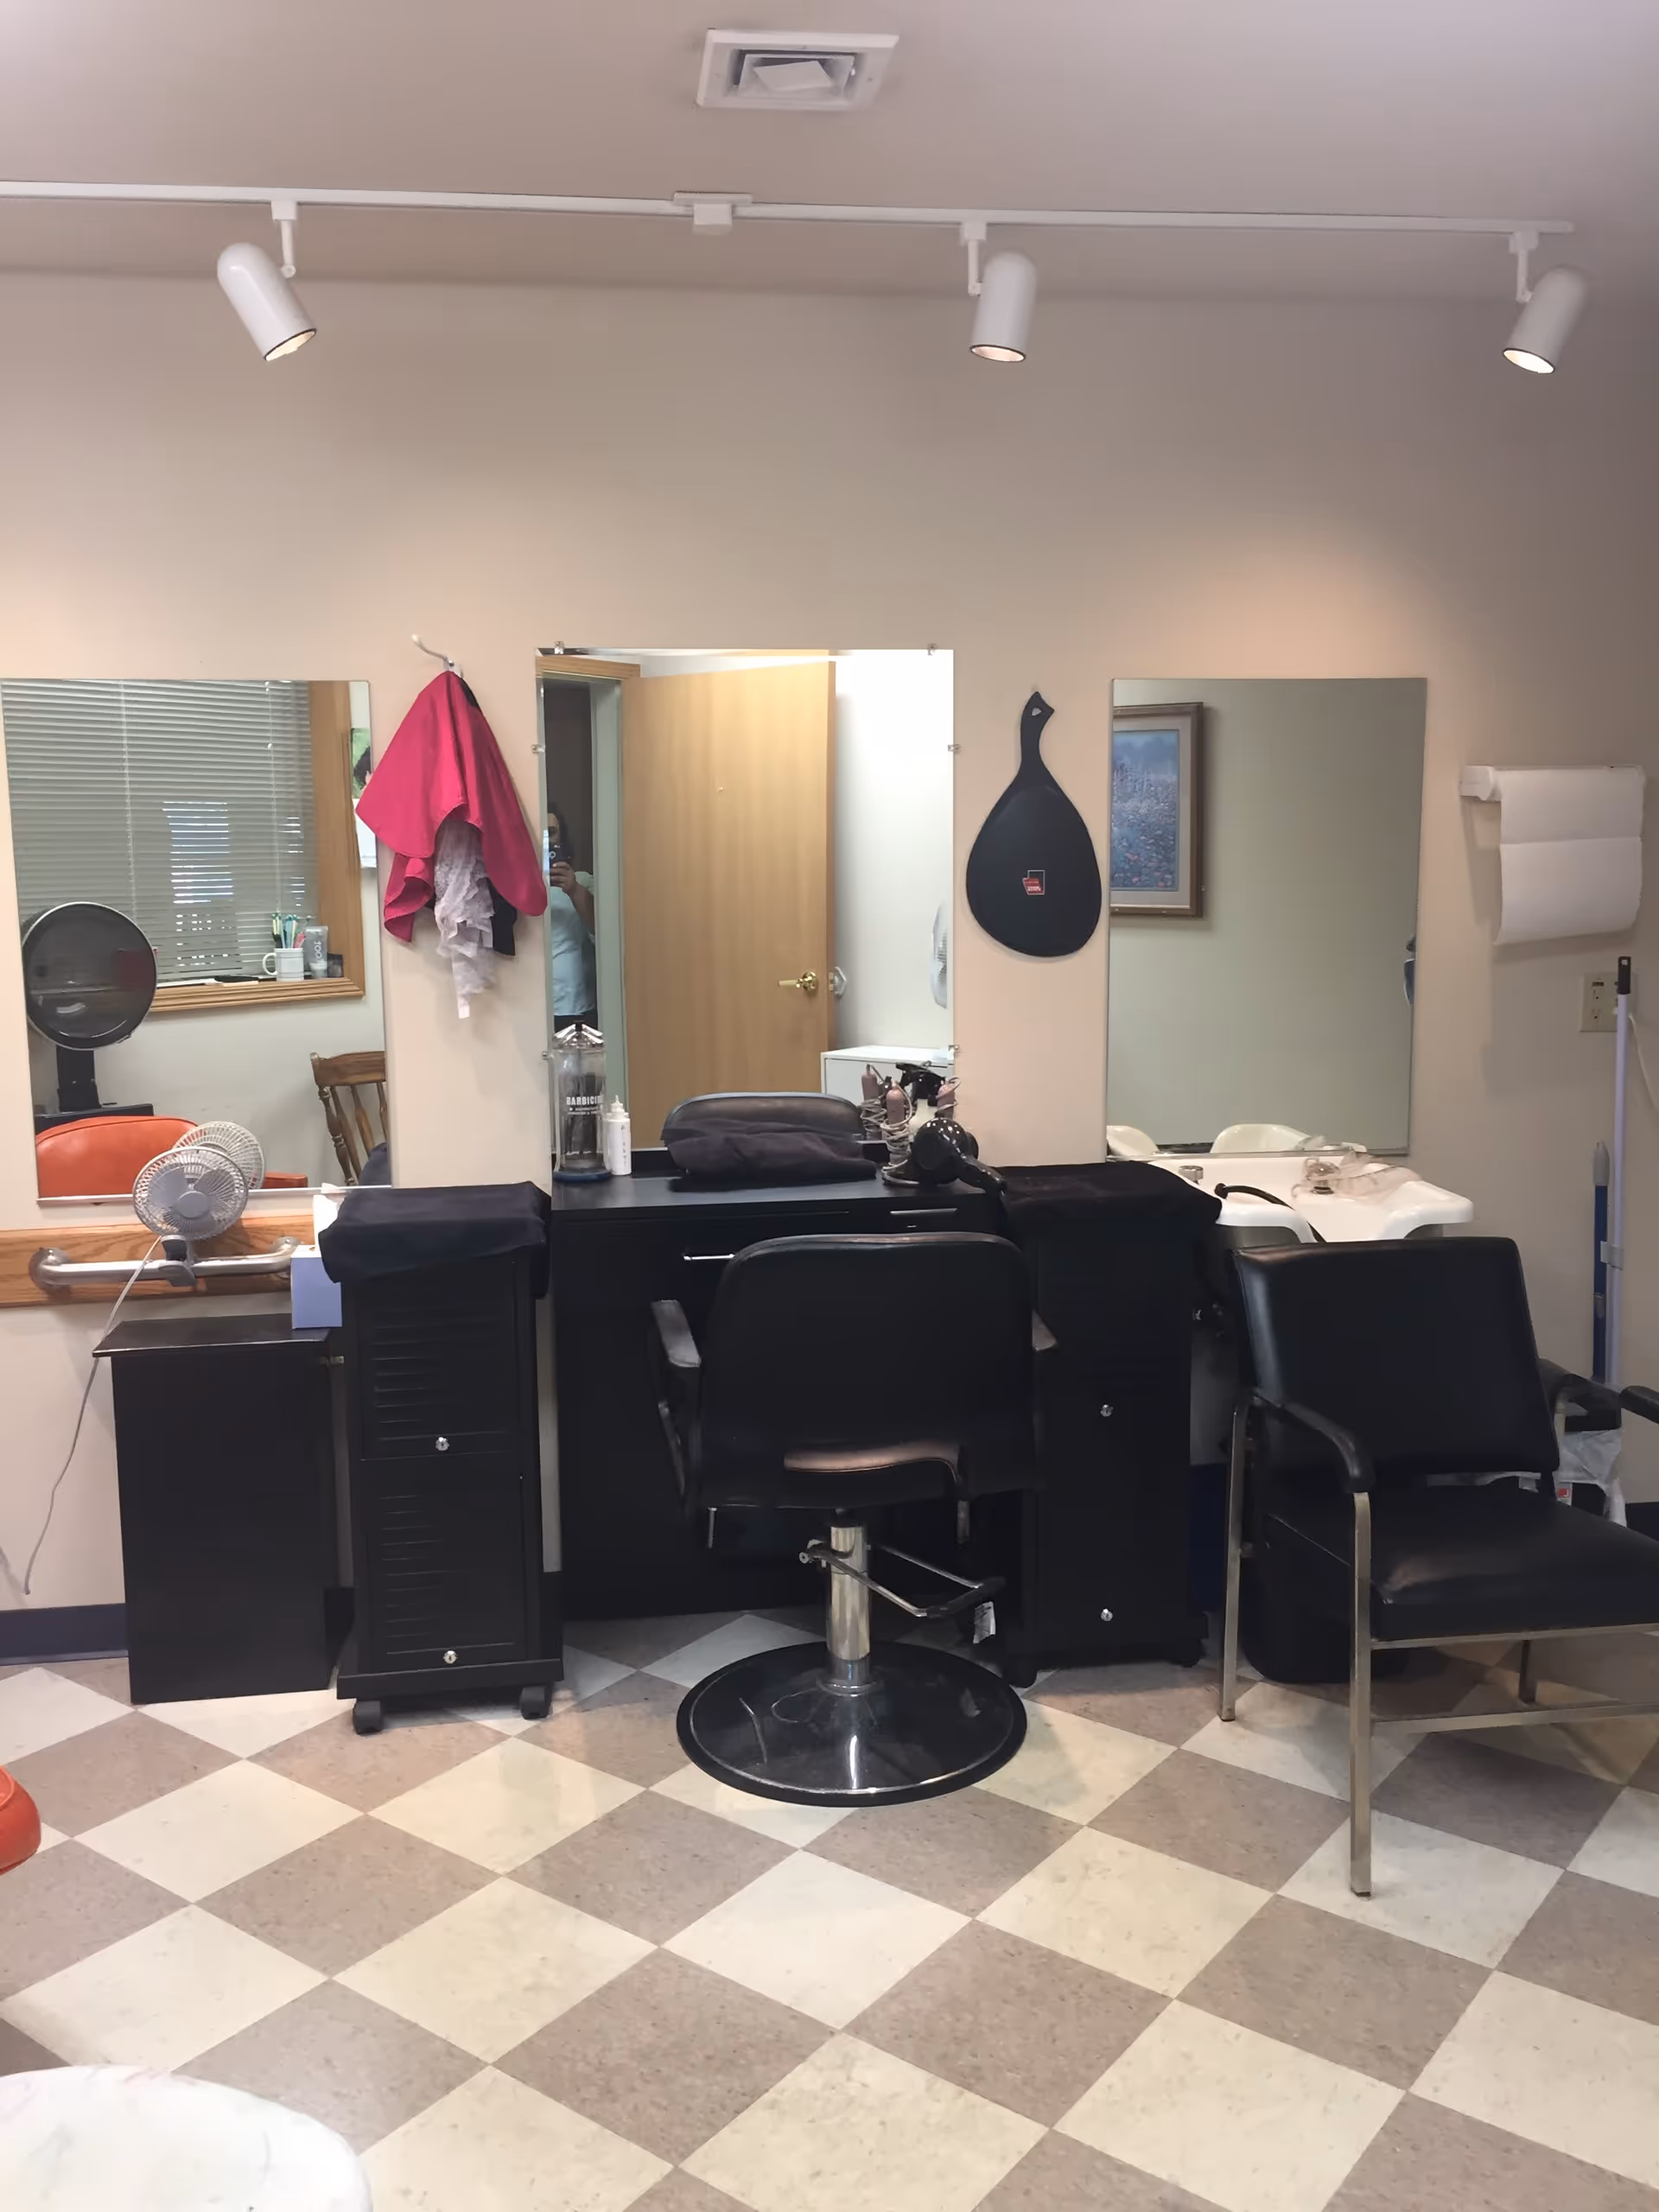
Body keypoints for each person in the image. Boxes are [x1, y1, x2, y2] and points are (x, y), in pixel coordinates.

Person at [546, 800, 597, 1030]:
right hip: (535, 1006)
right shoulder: (521, 888)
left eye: (552, 833)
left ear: (562, 839)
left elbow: (604, 934)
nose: (547, 841)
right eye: (541, 834)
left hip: (580, 1007)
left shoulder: (584, 881)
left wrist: (575, 890)